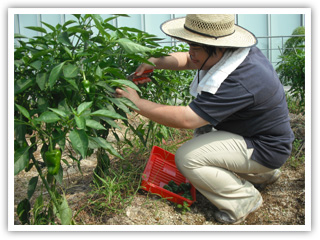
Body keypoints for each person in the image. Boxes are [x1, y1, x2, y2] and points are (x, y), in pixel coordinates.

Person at [115, 14, 294, 224]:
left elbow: (187, 119)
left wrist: (136, 103)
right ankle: (262, 174)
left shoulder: (241, 78)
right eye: (189, 45)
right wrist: (155, 61)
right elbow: (188, 60)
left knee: (188, 157)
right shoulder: (236, 55)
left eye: (196, 47)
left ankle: (244, 200)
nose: (191, 53)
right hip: (259, 137)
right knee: (205, 136)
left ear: (218, 47)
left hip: (266, 148)